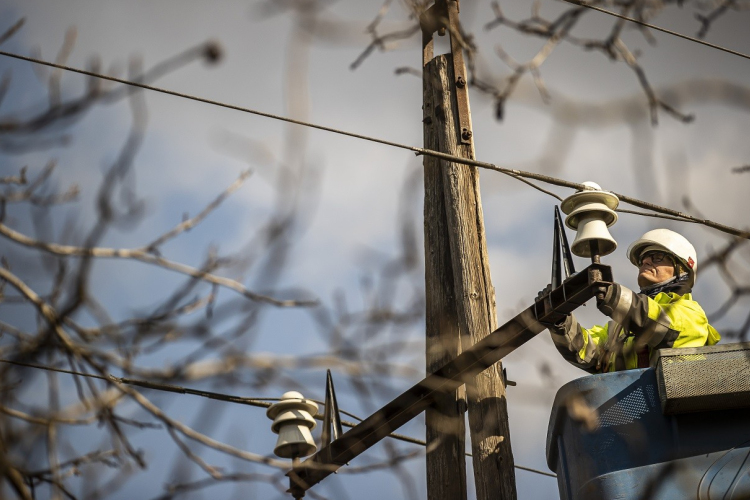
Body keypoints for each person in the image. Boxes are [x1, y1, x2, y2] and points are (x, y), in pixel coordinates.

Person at [546, 229, 721, 373]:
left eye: (657, 257)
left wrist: (613, 295)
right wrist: (560, 319)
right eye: (643, 259)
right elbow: (586, 351)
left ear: (681, 269)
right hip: (628, 405)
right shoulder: (618, 330)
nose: (645, 261)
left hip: (669, 404)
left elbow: (658, 323)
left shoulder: (691, 314)